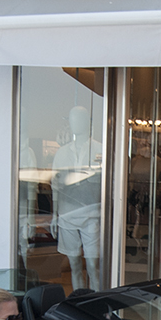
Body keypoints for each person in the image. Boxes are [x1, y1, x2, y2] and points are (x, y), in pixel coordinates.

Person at [52, 106, 103, 291]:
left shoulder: (100, 149)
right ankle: (77, 303)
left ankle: (97, 305)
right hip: (67, 215)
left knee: (93, 267)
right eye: (72, 119)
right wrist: (54, 214)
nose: (75, 123)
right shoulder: (62, 153)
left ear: (88, 122)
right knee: (74, 265)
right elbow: (55, 185)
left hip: (92, 215)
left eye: (79, 118)